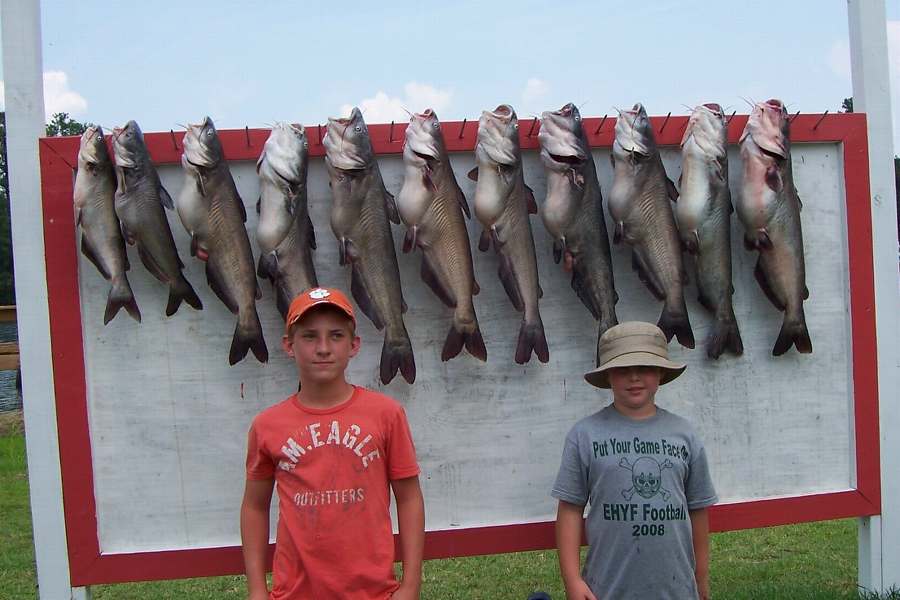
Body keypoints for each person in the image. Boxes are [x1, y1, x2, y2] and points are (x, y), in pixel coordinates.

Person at [240, 287, 425, 600]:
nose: (323, 348)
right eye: (309, 336)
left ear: (354, 345)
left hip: (373, 592)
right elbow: (254, 507)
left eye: (336, 336)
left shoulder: (386, 414)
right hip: (296, 592)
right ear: (289, 345)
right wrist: (257, 590)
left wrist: (410, 585)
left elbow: (409, 499)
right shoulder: (267, 425)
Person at [552, 321, 717, 600]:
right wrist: (572, 581)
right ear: (607, 377)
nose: (634, 377)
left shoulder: (685, 435)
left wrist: (700, 576)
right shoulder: (584, 436)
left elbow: (698, 509)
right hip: (606, 589)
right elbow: (569, 510)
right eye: (623, 369)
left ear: (661, 373)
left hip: (677, 590)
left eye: (645, 368)